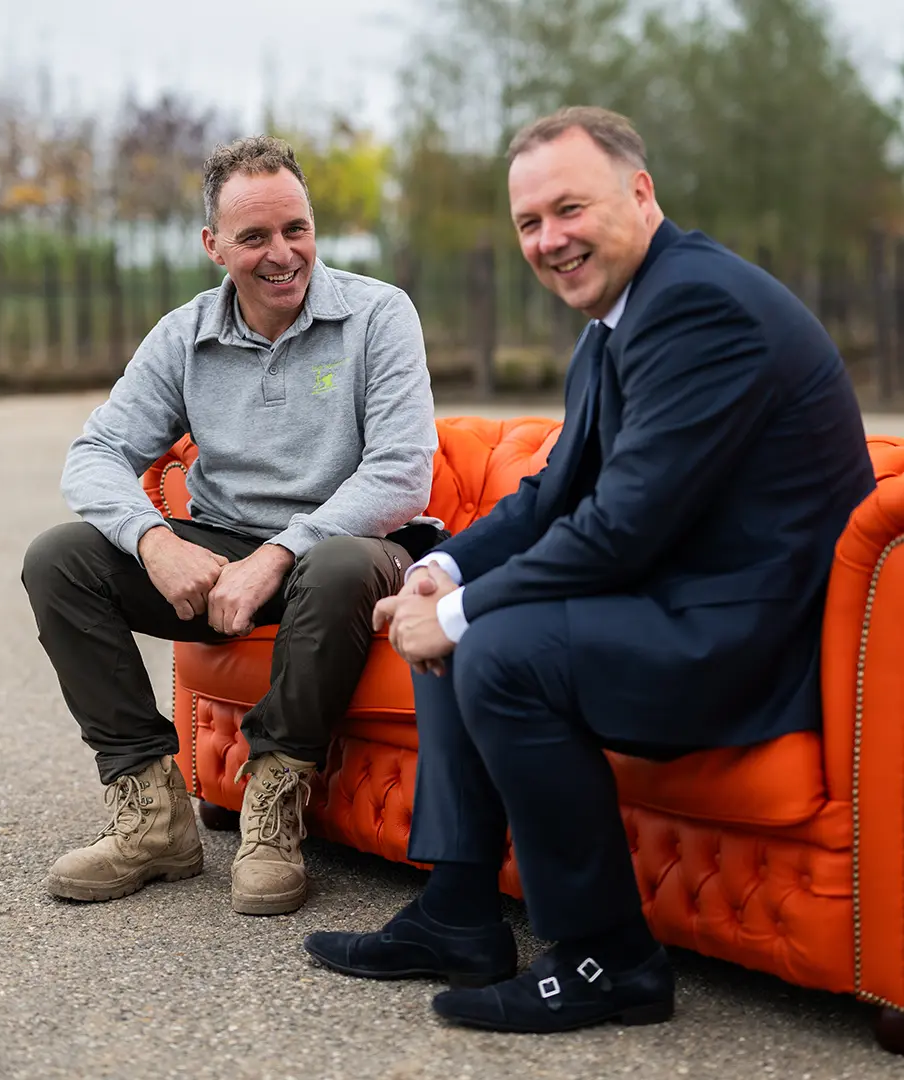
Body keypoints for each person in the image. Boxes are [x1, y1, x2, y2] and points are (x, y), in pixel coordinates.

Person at [302, 106, 875, 1033]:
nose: (549, 239)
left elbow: (622, 529)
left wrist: (458, 613)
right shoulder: (618, 318)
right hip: (675, 605)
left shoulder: (699, 308)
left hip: (745, 643)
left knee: (493, 647)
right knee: (453, 615)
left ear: (640, 193)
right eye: (529, 222)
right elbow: (551, 498)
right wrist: (442, 569)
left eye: (569, 209)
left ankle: (609, 960)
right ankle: (458, 913)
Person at [22, 135, 444, 916]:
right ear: (213, 246)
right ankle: (153, 818)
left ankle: (274, 810)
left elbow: (400, 473)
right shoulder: (185, 335)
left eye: (296, 228)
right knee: (59, 559)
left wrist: (278, 553)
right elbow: (95, 454)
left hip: (353, 551)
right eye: (254, 236)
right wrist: (154, 540)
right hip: (221, 547)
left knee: (336, 565)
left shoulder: (378, 314)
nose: (282, 254)